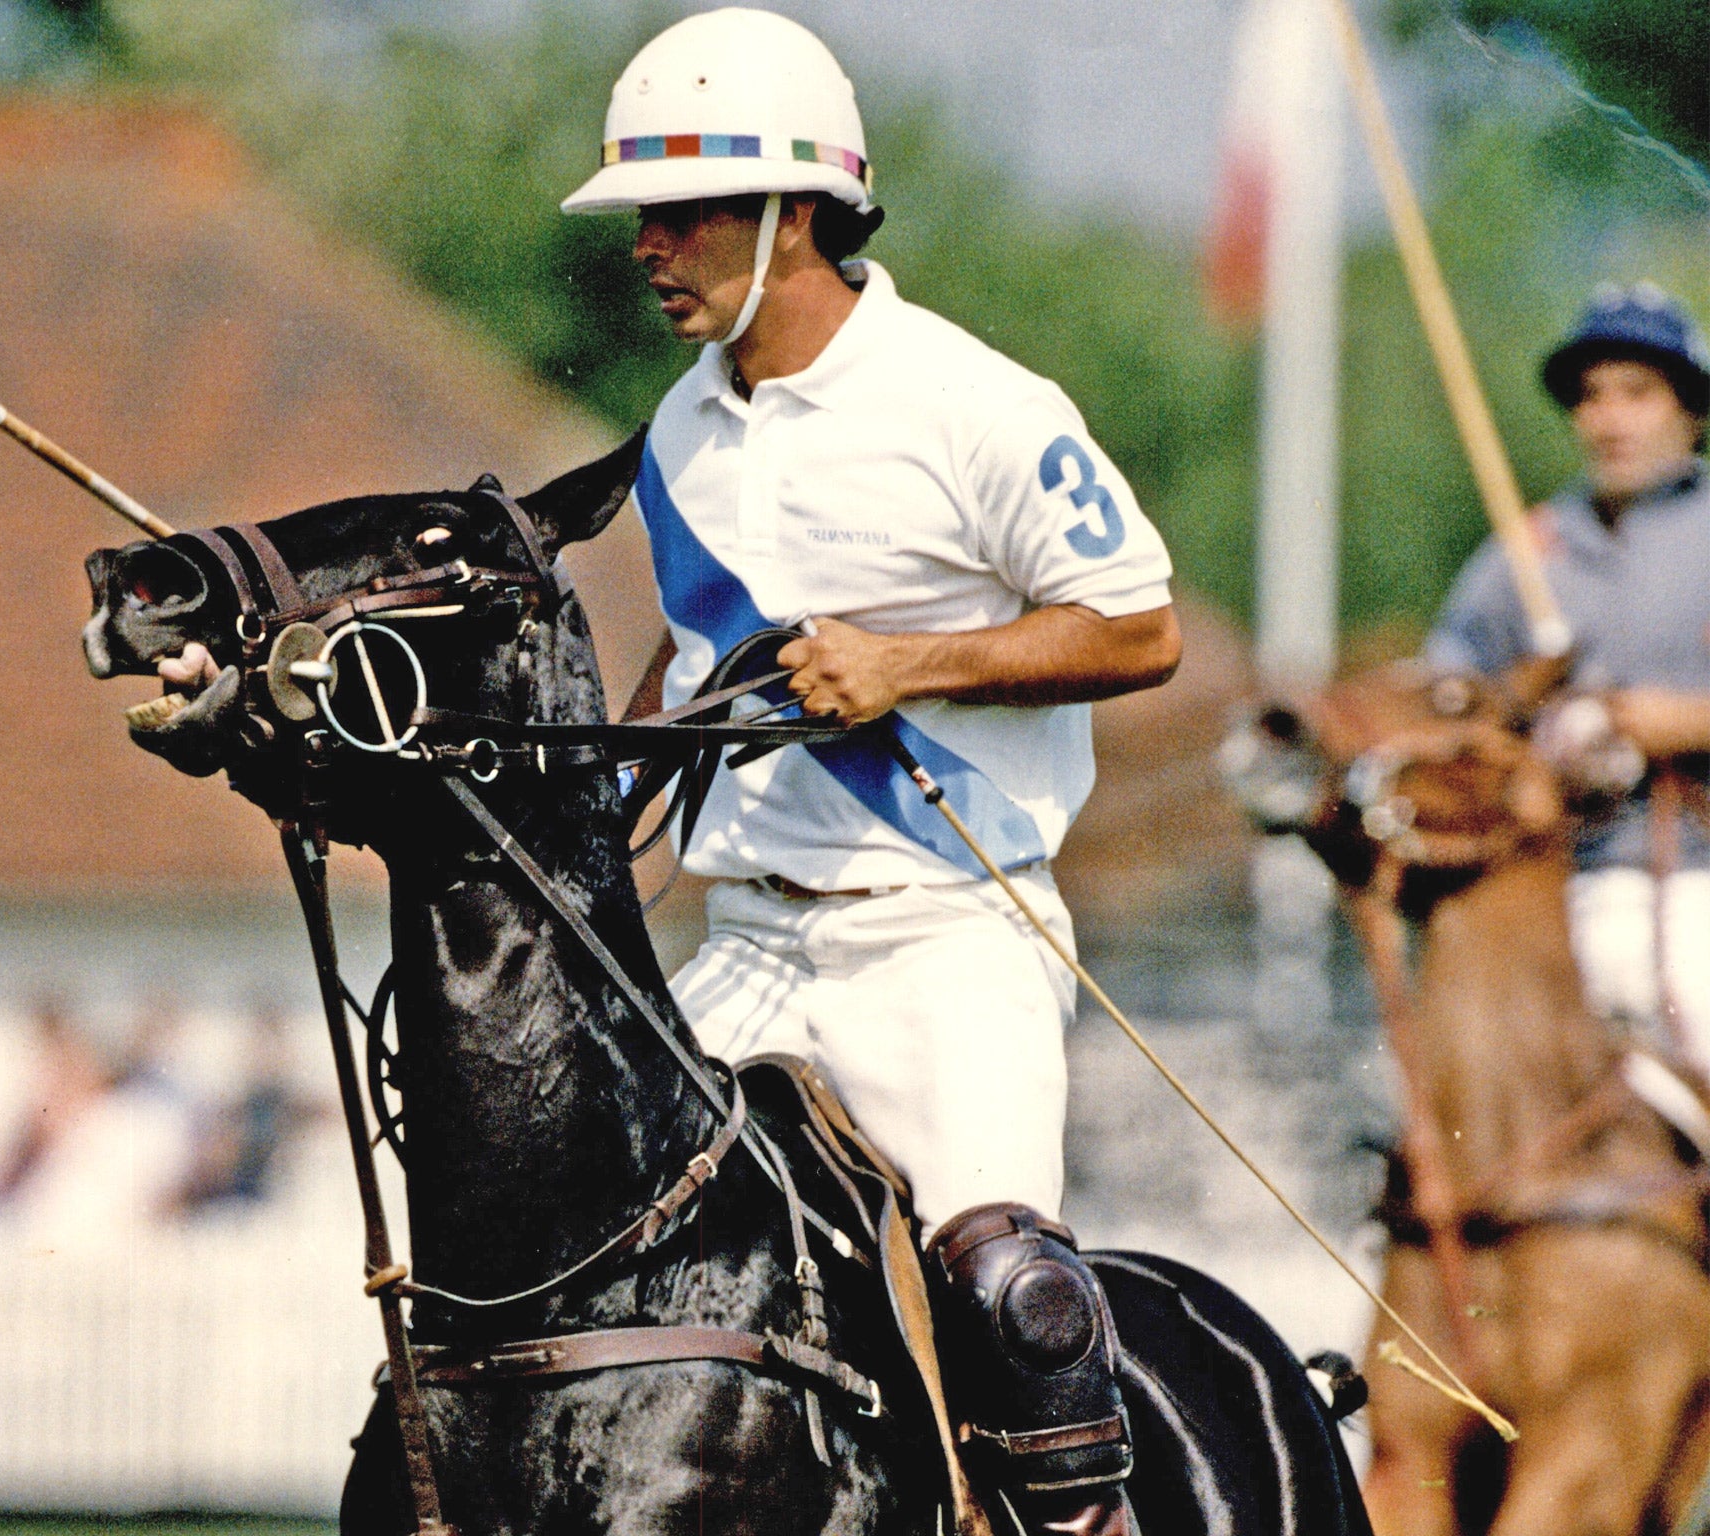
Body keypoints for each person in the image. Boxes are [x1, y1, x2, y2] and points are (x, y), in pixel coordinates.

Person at [560, 12, 1180, 1529]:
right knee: (588, 1251)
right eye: (645, 216)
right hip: (754, 939)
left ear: (793, 215)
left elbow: (1140, 624)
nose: (651, 247)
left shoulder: (973, 402)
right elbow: (702, 655)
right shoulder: (683, 428)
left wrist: (910, 663)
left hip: (944, 933)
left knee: (1011, 1289)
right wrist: (605, 793)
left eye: (684, 213)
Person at [1427, 284, 1710, 1070]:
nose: (1609, 418)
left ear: (1689, 407)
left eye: (1637, 393)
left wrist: (1687, 721)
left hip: (1697, 880)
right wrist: (1515, 710)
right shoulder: (1529, 551)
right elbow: (1444, 699)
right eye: (1590, 397)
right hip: (1553, 881)